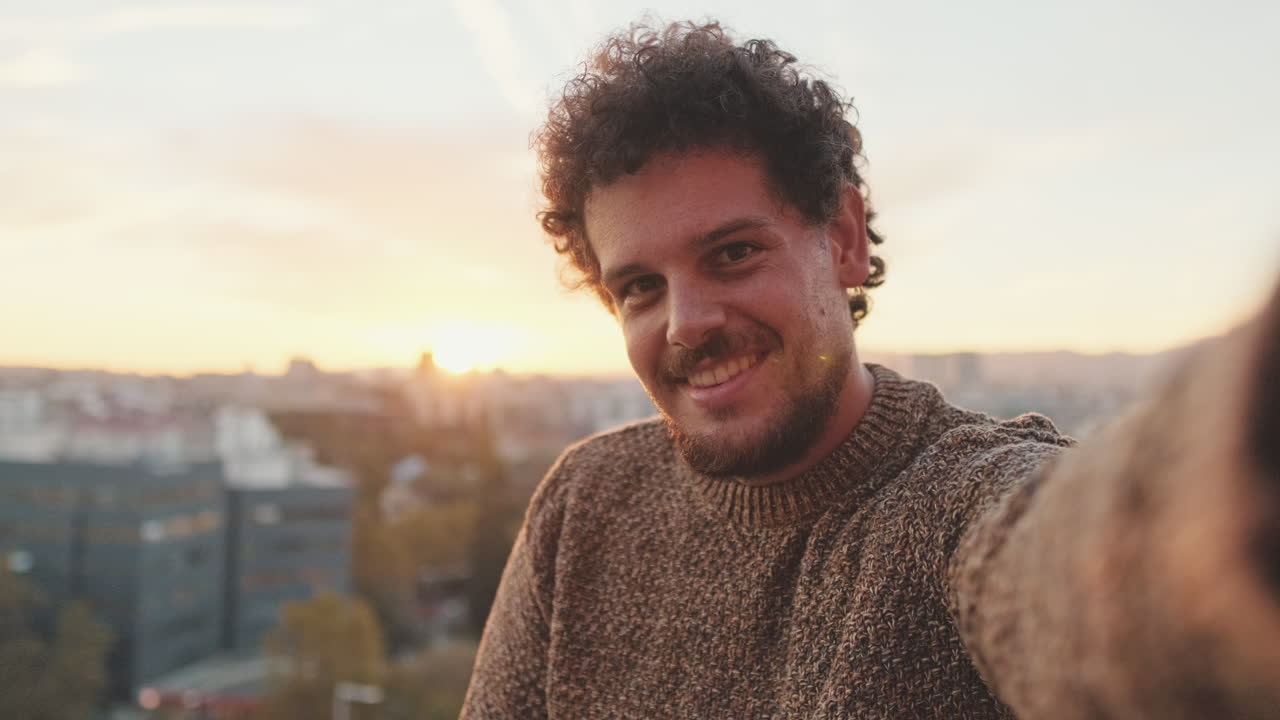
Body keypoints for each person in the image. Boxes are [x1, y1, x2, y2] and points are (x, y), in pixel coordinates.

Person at [461, 21, 1280, 719]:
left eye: (734, 253)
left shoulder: (955, 508)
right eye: (641, 287)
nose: (687, 323)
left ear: (844, 238)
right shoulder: (585, 503)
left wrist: (1234, 461)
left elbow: (1095, 571)